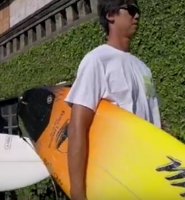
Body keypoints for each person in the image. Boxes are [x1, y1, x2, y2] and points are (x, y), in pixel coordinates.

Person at [64, 0, 161, 199]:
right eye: (131, 10)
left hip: (149, 176)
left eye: (138, 11)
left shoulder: (144, 68)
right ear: (111, 15)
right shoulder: (97, 61)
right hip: (118, 179)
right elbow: (77, 128)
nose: (137, 16)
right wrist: (77, 192)